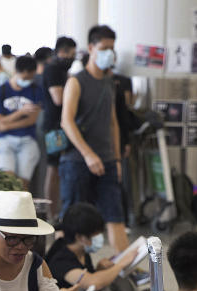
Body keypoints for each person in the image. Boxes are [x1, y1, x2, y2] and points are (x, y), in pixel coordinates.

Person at [60, 25, 129, 252]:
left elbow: (113, 122)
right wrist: (88, 154)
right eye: (104, 47)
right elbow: (66, 121)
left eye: (112, 48)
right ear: (91, 48)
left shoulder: (110, 82)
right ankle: (62, 271)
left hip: (107, 160)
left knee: (115, 215)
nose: (109, 52)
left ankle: (127, 273)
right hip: (77, 161)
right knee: (71, 219)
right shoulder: (76, 81)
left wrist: (117, 159)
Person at [45, 202, 140, 291]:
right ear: (80, 237)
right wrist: (121, 264)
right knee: (101, 286)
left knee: (114, 276)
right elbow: (91, 283)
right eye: (96, 234)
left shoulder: (81, 250)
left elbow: (89, 276)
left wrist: (100, 269)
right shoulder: (60, 259)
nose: (99, 237)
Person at [0, 55, 44, 190]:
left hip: (27, 140)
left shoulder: (36, 90)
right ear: (16, 72)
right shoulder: (0, 91)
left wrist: (5, 125)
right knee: (7, 182)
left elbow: (31, 120)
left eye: (30, 78)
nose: (27, 81)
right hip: (5, 141)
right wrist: (20, 113)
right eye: (25, 78)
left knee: (22, 185)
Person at [43, 36, 77, 217]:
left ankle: (58, 212)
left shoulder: (62, 70)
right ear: (62, 52)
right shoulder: (53, 69)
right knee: (54, 169)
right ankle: (52, 213)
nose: (73, 58)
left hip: (61, 125)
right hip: (55, 127)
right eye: (71, 54)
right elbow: (58, 98)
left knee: (59, 169)